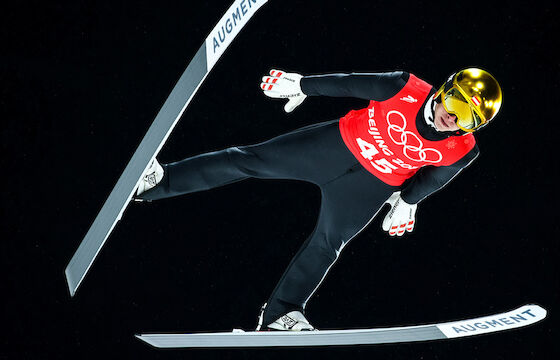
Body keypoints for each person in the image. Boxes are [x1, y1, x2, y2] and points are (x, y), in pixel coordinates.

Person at [135, 68, 503, 331]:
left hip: (369, 187)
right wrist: (303, 85)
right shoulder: (402, 86)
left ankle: (281, 314)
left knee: (329, 243)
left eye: (469, 118)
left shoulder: (462, 150)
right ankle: (160, 180)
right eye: (455, 101)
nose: (452, 118)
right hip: (333, 147)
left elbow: (435, 177)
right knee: (248, 160)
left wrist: (408, 201)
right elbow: (348, 84)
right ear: (444, 88)